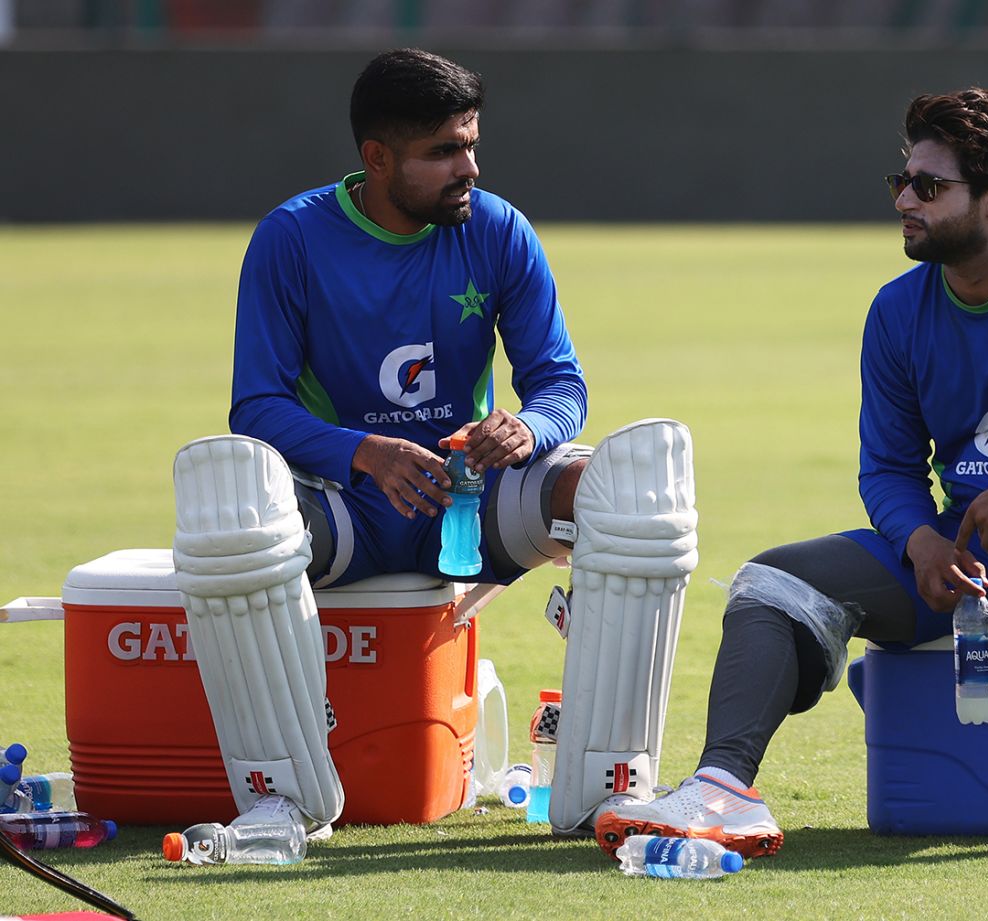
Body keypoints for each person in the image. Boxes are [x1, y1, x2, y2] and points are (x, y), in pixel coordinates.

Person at [595, 87, 988, 862]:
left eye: (929, 186)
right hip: (959, 556)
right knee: (769, 583)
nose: (904, 201)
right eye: (901, 182)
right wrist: (919, 539)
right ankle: (724, 788)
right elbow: (887, 466)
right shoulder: (896, 311)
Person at [169, 49, 698, 850]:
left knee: (627, 486)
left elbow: (559, 381)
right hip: (343, 504)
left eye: (472, 145)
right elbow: (257, 407)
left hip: (468, 498)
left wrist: (531, 427)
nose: (469, 169)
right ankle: (279, 801)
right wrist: (363, 452)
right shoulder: (292, 238)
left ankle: (605, 792)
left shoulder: (497, 228)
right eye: (444, 152)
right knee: (233, 519)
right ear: (377, 158)